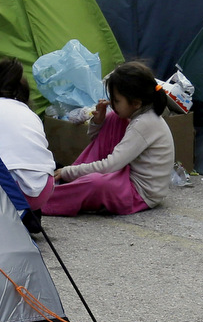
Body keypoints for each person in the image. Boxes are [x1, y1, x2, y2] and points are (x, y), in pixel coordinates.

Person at [37, 61, 177, 217]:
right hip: (124, 176)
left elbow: (110, 165)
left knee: (96, 184)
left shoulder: (144, 124)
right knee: (112, 118)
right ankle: (73, 180)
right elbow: (96, 142)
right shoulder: (137, 116)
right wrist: (98, 122)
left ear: (136, 103)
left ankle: (42, 201)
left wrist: (69, 171)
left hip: (139, 194)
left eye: (117, 101)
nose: (112, 104)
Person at [0, 58, 56, 234]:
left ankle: (6, 215)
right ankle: (30, 212)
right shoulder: (31, 114)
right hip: (44, 188)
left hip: (10, 188)